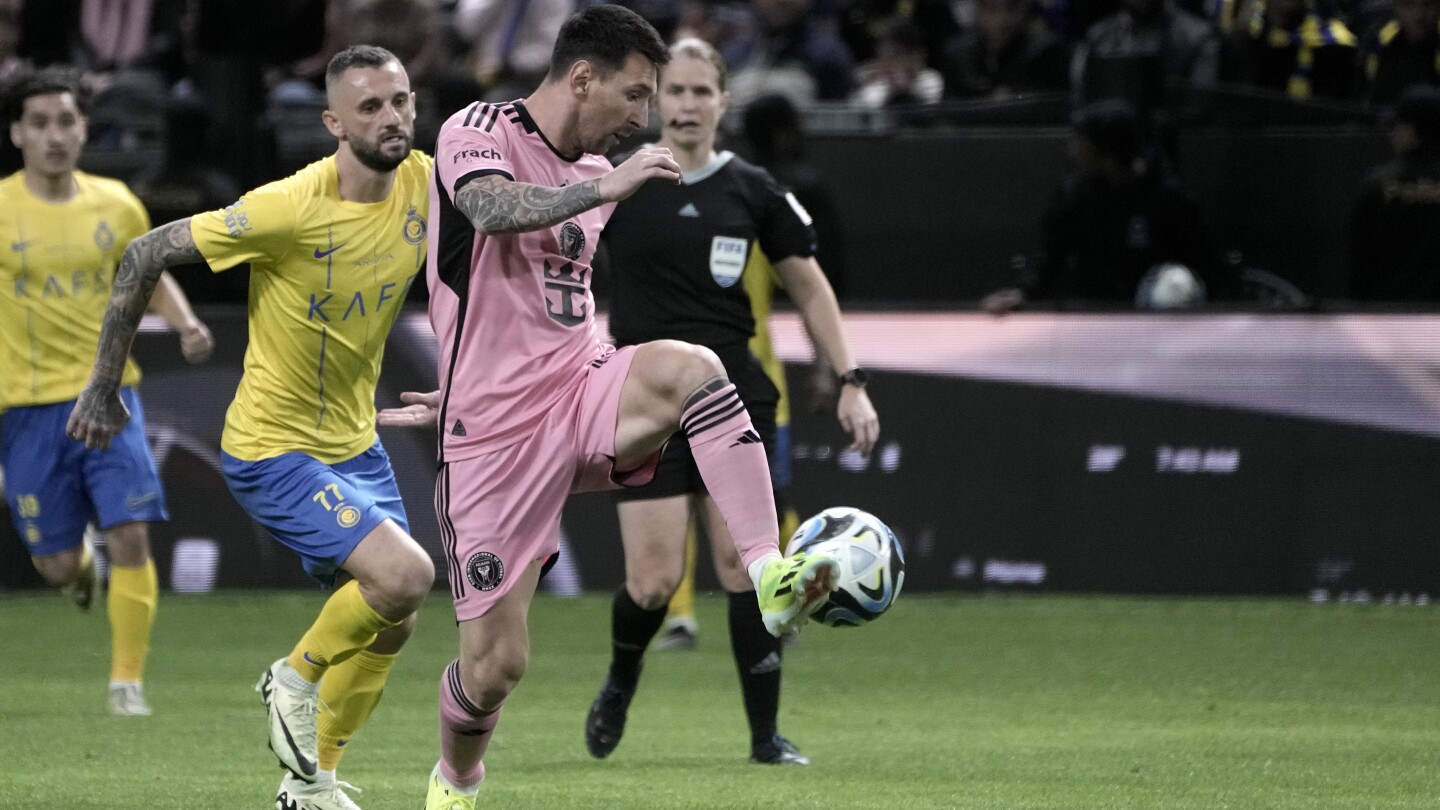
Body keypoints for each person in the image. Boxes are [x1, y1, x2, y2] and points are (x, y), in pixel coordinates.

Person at [378, 6, 864, 806]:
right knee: (496, 669)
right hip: (492, 437)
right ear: (581, 78)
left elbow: (552, 308)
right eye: (635, 95)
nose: (642, 117)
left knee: (696, 371)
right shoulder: (478, 127)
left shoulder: (604, 169)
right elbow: (493, 212)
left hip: (581, 389)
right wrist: (608, 185)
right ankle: (456, 777)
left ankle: (770, 574)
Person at [66, 45, 436, 810]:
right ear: (333, 122)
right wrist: (104, 386)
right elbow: (142, 255)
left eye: (400, 100)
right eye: (370, 107)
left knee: (393, 620)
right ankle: (292, 677)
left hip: (354, 442)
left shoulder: (427, 183)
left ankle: (313, 784)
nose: (392, 117)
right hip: (273, 447)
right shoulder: (287, 207)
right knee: (406, 575)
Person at [584, 36, 879, 766]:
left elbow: (809, 285)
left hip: (733, 399)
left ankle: (765, 738)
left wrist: (850, 380)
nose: (685, 105)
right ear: (654, 101)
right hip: (642, 400)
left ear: (723, 101)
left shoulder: (752, 188)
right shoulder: (619, 182)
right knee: (652, 583)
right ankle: (622, 676)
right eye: (672, 92)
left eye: (699, 92)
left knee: (746, 566)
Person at [0, 65, 213, 717]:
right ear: (17, 133)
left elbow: (145, 274)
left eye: (66, 120)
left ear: (84, 127)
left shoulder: (117, 204)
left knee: (132, 536)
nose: (55, 136)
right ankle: (78, 568)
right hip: (28, 409)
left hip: (110, 397)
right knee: (59, 568)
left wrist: (186, 323)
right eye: (40, 124)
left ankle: (127, 684)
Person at [982, 99, 1231, 311]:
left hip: (1154, 323)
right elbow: (1051, 255)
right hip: (1092, 315)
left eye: (1081, 144)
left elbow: (1204, 262)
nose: (1073, 151)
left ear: (1109, 155)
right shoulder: (1073, 194)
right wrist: (1025, 293)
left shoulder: (1168, 198)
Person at [1348, 85, 1440, 302]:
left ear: (1411, 130)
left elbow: (1360, 268)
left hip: (1390, 321)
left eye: (1396, 126)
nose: (1393, 134)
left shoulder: (1376, 187)